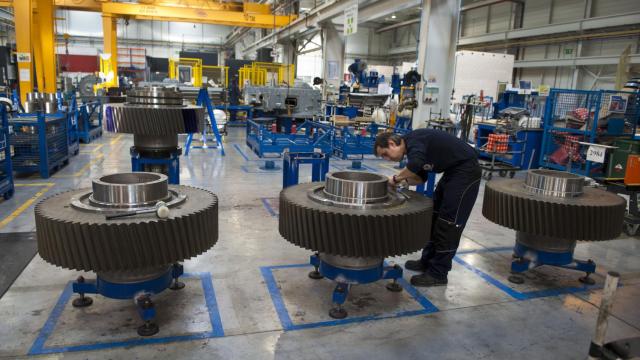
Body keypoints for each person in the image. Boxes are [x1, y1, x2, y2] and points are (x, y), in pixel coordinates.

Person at [374, 129, 481, 287]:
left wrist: (396, 178)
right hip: (452, 173)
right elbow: (420, 177)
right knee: (435, 216)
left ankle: (439, 273)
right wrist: (403, 182)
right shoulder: (414, 149)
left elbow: (415, 164)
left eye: (385, 154)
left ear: (391, 143)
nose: (387, 159)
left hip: (466, 171)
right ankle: (426, 262)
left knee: (448, 223)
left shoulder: (414, 140)